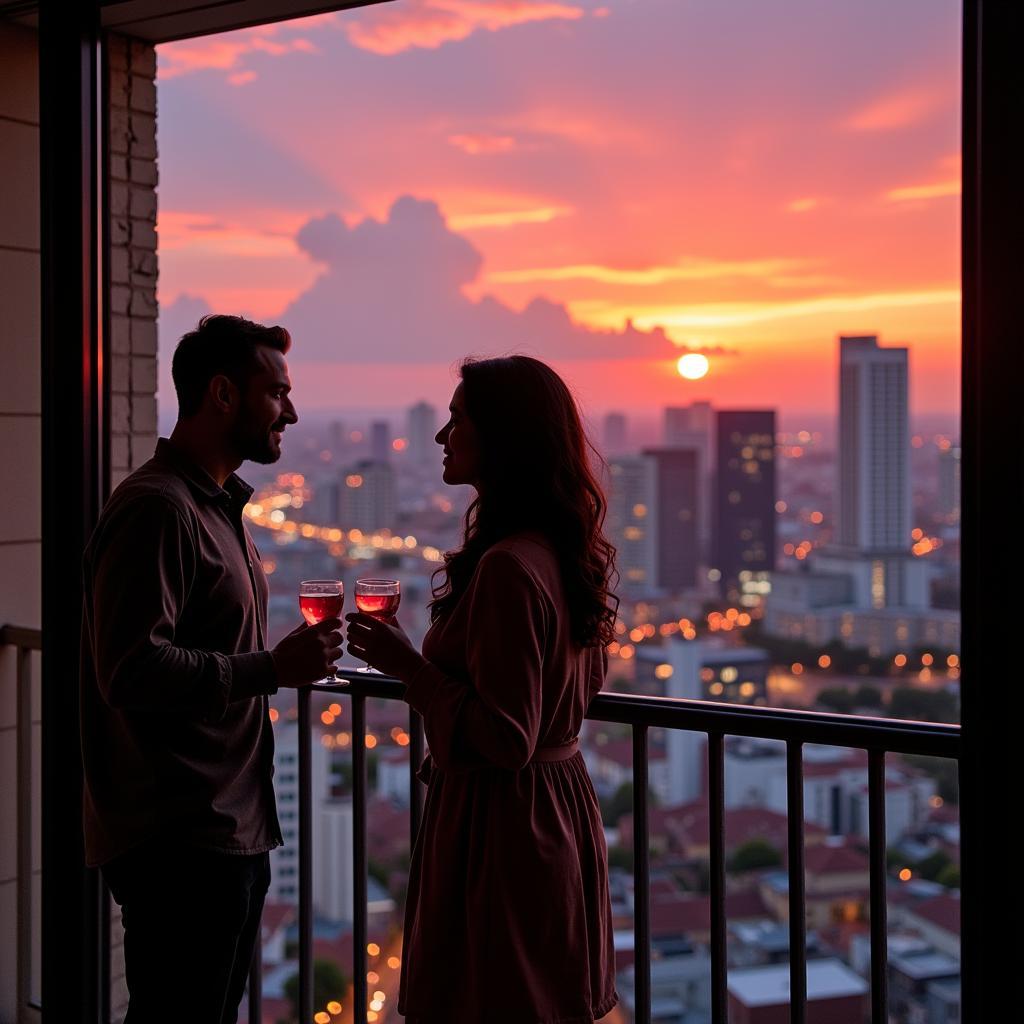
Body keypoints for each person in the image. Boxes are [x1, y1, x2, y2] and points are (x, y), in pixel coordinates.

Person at [80, 315, 343, 1024]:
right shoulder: (159, 509)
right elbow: (130, 668)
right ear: (223, 394)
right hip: (180, 837)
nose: (290, 410)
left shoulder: (216, 507)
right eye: (276, 391)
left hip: (223, 826)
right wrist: (269, 667)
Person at [345, 355, 619, 1023]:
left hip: (502, 824)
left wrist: (406, 666)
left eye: (457, 420)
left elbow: (505, 737)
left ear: (504, 439)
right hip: (553, 813)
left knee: (491, 995)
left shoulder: (506, 569)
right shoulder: (555, 554)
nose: (442, 437)